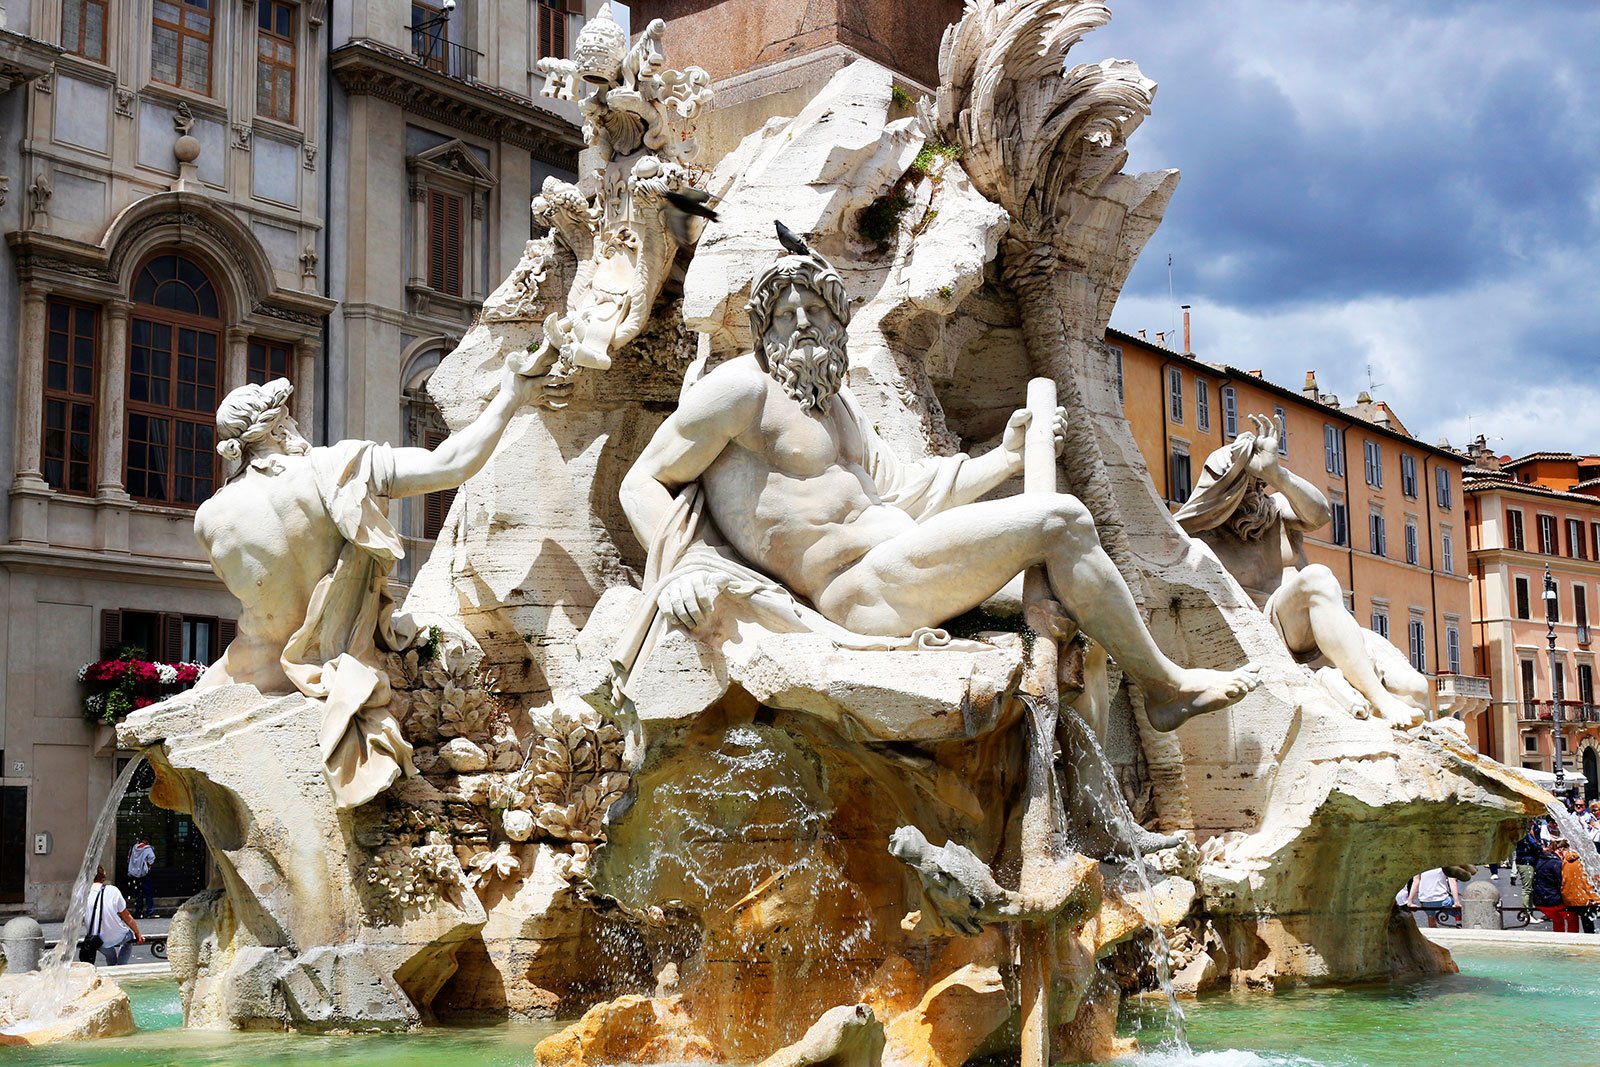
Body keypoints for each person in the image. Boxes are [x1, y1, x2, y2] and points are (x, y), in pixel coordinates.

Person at [618, 236, 1260, 731]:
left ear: (841, 324)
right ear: (763, 329)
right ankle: (1165, 688)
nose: (803, 324)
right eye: (785, 315)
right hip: (858, 592)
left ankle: (1087, 830)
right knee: (1060, 519)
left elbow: (906, 494)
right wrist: (682, 569)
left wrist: (1006, 459)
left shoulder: (838, 407)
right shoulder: (741, 390)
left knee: (1083, 627)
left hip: (900, 566)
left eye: (815, 309)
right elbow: (641, 480)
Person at [193, 362, 569, 809]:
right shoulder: (335, 467)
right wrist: (511, 396)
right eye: (288, 418)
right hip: (341, 659)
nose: (296, 425)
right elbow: (449, 463)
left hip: (257, 673)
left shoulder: (209, 518)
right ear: (277, 428)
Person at [1174, 416, 1428, 726]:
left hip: (1328, 626)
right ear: (1225, 492)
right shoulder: (1202, 540)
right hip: (1274, 630)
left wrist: (1276, 473)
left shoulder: (1276, 510)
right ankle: (1381, 701)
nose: (1257, 492)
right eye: (1248, 484)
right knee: (1317, 578)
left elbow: (1321, 513)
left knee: (1416, 689)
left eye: (1259, 484)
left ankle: (1332, 680)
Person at [86, 866, 144, 966]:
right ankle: (121, 966)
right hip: (117, 935)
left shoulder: (83, 894)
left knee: (108, 953)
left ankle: (112, 967)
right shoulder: (113, 890)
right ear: (103, 875)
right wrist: (137, 933)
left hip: (97, 939)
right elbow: (126, 916)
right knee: (129, 937)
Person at [1532, 839, 1577, 932]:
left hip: (1539, 901)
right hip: (1553, 902)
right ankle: (1572, 941)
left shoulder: (1541, 859)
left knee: (1558, 920)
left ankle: (1559, 940)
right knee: (1572, 918)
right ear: (1562, 849)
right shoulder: (1556, 862)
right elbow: (1562, 883)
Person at [1561, 843, 1599, 934]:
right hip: (1587, 898)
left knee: (1580, 921)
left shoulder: (1565, 860)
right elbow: (1596, 878)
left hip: (1570, 897)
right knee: (1588, 922)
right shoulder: (1585, 860)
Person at [126, 837, 155, 919]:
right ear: (147, 842)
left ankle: (138, 912)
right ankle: (150, 912)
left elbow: (128, 858)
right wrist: (148, 866)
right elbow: (151, 859)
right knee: (148, 892)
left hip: (134, 874)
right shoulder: (148, 849)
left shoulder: (133, 848)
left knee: (138, 893)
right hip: (144, 873)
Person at [1515, 820, 1543, 908]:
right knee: (1527, 889)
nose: (1533, 823)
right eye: (1530, 821)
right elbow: (1534, 845)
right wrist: (1543, 848)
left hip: (1530, 861)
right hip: (1525, 862)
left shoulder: (1533, 830)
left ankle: (1529, 912)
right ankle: (1527, 913)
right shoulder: (1524, 833)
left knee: (1530, 889)